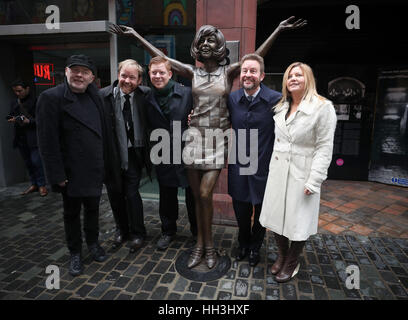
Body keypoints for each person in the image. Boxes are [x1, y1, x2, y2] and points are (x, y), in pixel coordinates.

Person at [110, 16, 306, 269]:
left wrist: (277, 29)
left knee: (205, 193)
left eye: (211, 40)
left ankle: (210, 246)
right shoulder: (192, 72)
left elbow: (255, 57)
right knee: (197, 196)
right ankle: (200, 245)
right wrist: (135, 35)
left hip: (217, 140)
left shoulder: (230, 71)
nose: (205, 44)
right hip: (194, 138)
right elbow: (163, 58)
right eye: (201, 40)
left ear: (219, 46)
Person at [259, 62, 337, 282]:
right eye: (289, 75)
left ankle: (292, 262)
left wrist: (315, 180)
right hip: (278, 170)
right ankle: (283, 255)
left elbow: (324, 146)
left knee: (298, 221)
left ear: (308, 79)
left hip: (303, 172)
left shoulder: (322, 107)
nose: (293, 78)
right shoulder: (281, 106)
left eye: (298, 75)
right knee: (276, 216)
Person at [37, 54, 107, 276]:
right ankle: (75, 252)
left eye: (84, 72)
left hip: (94, 167)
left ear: (92, 78)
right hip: (70, 171)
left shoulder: (95, 96)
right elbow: (47, 141)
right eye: (74, 70)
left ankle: (93, 243)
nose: (79, 75)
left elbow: (104, 132)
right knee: (71, 213)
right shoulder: (50, 98)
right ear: (66, 72)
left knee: (94, 210)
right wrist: (56, 174)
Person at [227, 54, 281, 267]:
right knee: (241, 211)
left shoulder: (276, 100)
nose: (248, 75)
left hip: (263, 166)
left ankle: (255, 247)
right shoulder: (232, 99)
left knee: (260, 213)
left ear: (262, 75)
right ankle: (243, 243)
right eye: (245, 71)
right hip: (239, 165)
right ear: (240, 76)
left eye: (253, 71)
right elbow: (219, 119)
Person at [145, 56, 197, 250]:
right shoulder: (146, 96)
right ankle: (168, 231)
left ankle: (197, 233)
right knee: (167, 195)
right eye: (154, 72)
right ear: (149, 74)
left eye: (161, 72)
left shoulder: (187, 93)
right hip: (162, 151)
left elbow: (201, 114)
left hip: (187, 151)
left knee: (192, 195)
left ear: (170, 73)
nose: (158, 76)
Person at [100, 59, 152, 253]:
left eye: (132, 77)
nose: (127, 80)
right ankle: (121, 230)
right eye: (124, 75)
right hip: (111, 154)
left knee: (131, 193)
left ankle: (138, 233)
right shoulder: (104, 96)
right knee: (115, 195)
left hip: (134, 153)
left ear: (139, 80)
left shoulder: (145, 95)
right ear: (118, 74)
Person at [7, 79, 47, 196]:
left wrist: (29, 121)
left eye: (19, 91)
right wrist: (13, 119)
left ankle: (42, 185)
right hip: (21, 137)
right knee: (28, 162)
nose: (17, 93)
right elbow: (11, 115)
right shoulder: (15, 102)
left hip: (33, 137)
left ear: (27, 89)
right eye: (15, 91)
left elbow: (42, 120)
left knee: (36, 161)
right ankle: (34, 183)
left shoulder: (36, 101)